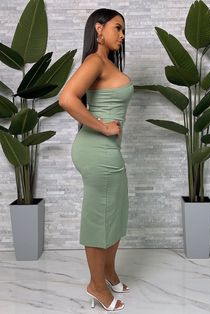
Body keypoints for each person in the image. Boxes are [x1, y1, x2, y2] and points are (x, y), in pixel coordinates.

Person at [59, 8, 133, 311]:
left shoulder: (106, 63)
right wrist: (103, 127)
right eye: (117, 28)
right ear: (99, 29)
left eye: (124, 30)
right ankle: (96, 286)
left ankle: (110, 272)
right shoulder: (94, 61)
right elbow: (67, 98)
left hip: (107, 152)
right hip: (96, 150)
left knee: (115, 212)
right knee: (99, 217)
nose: (122, 35)